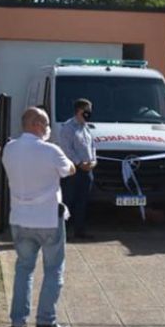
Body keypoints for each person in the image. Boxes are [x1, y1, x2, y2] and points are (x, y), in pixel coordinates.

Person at [2, 107, 75, 327]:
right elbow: (69, 170)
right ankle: (45, 320)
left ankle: (18, 320)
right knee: (54, 269)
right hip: (47, 218)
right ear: (36, 125)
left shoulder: (9, 148)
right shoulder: (50, 150)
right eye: (44, 124)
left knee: (24, 268)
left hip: (20, 218)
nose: (47, 129)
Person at [58, 98, 96, 239]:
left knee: (83, 201)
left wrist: (93, 161)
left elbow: (92, 147)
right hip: (73, 170)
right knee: (68, 200)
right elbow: (67, 149)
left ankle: (80, 231)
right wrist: (80, 163)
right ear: (80, 111)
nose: (90, 113)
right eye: (87, 110)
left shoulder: (86, 128)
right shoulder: (68, 127)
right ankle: (63, 232)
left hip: (87, 171)